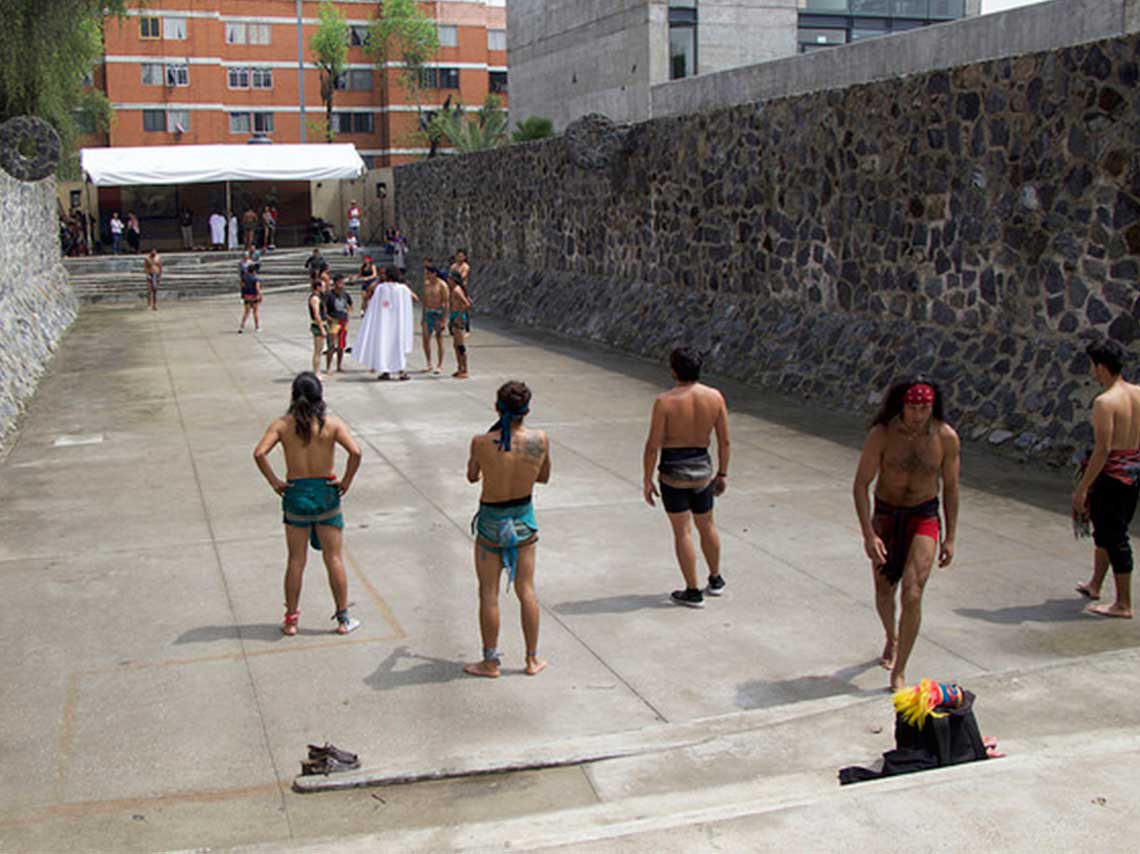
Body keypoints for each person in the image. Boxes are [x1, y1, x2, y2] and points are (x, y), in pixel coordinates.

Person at [853, 379, 960, 691]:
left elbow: (951, 488)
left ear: (933, 406)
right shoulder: (882, 434)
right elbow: (861, 484)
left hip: (924, 515)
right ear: (901, 405)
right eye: (912, 408)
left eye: (924, 408)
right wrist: (868, 533)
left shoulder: (945, 437)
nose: (917, 414)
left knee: (912, 592)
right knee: (885, 590)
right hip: (886, 515)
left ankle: (899, 669)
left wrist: (950, 536)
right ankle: (892, 636)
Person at [253, 372, 363, 636]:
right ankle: (342, 618)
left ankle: (291, 620)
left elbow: (259, 453)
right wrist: (346, 481)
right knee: (334, 558)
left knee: (295, 560)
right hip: (325, 491)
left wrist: (275, 482)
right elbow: (356, 452)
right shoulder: (332, 425)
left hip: (296, 492)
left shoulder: (282, 425)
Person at [464, 381, 551, 678]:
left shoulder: (480, 441)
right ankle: (531, 659)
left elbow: (472, 476)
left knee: (488, 593)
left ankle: (490, 661)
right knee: (526, 589)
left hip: (491, 520)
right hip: (523, 519)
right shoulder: (540, 439)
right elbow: (544, 477)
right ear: (527, 409)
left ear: (497, 407)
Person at [642, 347, 730, 608]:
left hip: (673, 474)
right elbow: (724, 441)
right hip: (702, 470)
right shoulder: (714, 397)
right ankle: (715, 578)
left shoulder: (665, 401)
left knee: (683, 532)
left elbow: (653, 445)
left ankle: (692, 591)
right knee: (708, 525)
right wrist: (722, 473)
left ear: (673, 371)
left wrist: (647, 479)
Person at [1073, 340, 1140, 619]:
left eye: (1091, 364)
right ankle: (1095, 584)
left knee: (1115, 537)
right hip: (1134, 472)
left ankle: (1123, 603)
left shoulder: (1105, 402)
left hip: (1112, 478)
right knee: (1106, 531)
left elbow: (1103, 450)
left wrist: (1082, 488)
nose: (1091, 370)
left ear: (1100, 366)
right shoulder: (1138, 392)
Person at [354, 267, 418, 381]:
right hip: (398, 323)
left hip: (384, 324)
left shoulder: (381, 288)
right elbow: (415, 298)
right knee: (397, 346)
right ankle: (400, 371)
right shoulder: (403, 289)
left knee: (385, 345)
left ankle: (387, 371)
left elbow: (371, 299)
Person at [420, 260, 449, 375]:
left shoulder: (442, 285)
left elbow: (446, 303)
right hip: (428, 313)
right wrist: (423, 317)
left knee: (439, 339)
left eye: (428, 273)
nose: (426, 275)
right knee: (426, 339)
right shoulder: (426, 285)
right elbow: (424, 301)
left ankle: (439, 364)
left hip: (438, 313)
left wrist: (443, 320)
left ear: (434, 274)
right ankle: (429, 363)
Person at [324, 275, 353, 373]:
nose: (341, 285)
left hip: (343, 321)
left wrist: (348, 314)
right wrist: (329, 319)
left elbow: (350, 305)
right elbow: (324, 309)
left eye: (342, 283)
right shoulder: (329, 295)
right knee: (332, 344)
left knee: (341, 345)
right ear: (335, 283)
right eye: (339, 282)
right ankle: (328, 366)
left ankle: (339, 366)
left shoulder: (345, 294)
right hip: (334, 321)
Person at [448, 271, 473, 379]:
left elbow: (467, 303)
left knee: (460, 345)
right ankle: (460, 367)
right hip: (454, 315)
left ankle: (465, 369)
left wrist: (459, 316)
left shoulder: (457, 290)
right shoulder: (454, 290)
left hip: (458, 317)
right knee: (456, 345)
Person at [309, 278, 328, 375]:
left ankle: (318, 371)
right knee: (318, 351)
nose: (325, 288)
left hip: (323, 323)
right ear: (318, 287)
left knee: (320, 351)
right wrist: (321, 329)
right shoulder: (315, 298)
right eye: (323, 286)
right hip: (318, 325)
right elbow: (316, 314)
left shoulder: (320, 297)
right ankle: (316, 372)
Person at [450, 249, 472, 332]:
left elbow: (462, 276)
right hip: (454, 287)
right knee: (454, 305)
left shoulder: (465, 266)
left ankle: (465, 326)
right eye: (458, 256)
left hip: (462, 287)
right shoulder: (453, 266)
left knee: (464, 305)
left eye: (461, 256)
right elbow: (451, 275)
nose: (459, 258)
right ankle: (452, 323)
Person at [239, 259, 262, 333]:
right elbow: (257, 288)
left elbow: (242, 286)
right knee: (255, 312)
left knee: (246, 312)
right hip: (254, 297)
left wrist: (242, 295)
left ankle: (241, 327)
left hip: (246, 296)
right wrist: (260, 296)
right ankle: (257, 327)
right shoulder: (256, 278)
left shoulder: (244, 278)